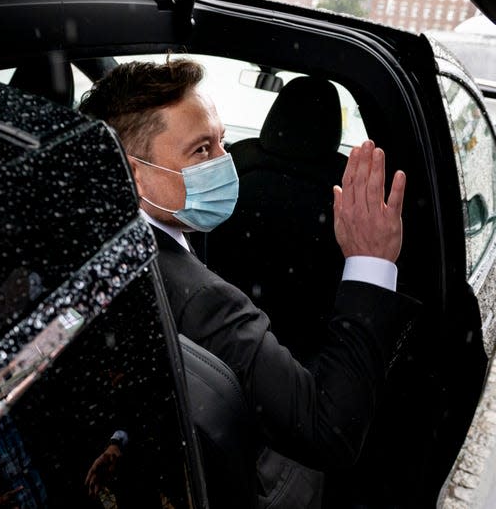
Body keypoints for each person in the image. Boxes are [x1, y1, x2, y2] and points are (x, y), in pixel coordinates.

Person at [78, 58, 418, 506]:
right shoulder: (203, 300)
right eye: (201, 150)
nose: (226, 161)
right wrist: (369, 261)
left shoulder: (90, 237)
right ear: (131, 172)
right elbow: (328, 431)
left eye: (223, 141)